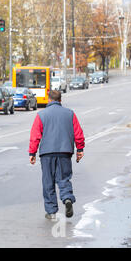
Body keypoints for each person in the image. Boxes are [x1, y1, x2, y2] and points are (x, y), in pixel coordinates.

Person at [29, 90, 85, 220]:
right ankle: (67, 199)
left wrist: (32, 152)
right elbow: (78, 133)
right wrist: (80, 149)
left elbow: (35, 136)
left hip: (47, 153)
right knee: (64, 178)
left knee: (48, 181)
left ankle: (51, 211)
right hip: (65, 152)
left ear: (48, 100)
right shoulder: (70, 114)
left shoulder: (41, 114)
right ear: (60, 100)